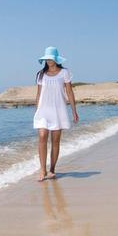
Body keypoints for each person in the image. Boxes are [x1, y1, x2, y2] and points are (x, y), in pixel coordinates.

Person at [33, 46, 79, 182]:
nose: (48, 61)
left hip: (58, 110)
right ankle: (42, 170)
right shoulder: (40, 74)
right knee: (42, 136)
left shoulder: (64, 73)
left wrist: (74, 111)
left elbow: (69, 92)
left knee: (55, 141)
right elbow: (38, 94)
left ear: (56, 59)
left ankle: (52, 169)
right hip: (43, 111)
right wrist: (37, 110)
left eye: (50, 58)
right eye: (46, 58)